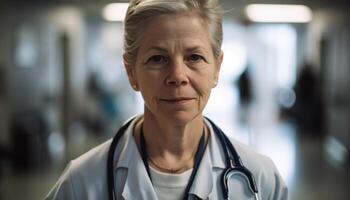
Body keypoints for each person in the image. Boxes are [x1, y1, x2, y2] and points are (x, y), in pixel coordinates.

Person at [45, 0, 288, 199]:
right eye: (158, 59)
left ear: (217, 69)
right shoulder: (81, 182)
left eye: (194, 57)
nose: (178, 76)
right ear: (131, 72)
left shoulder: (261, 179)